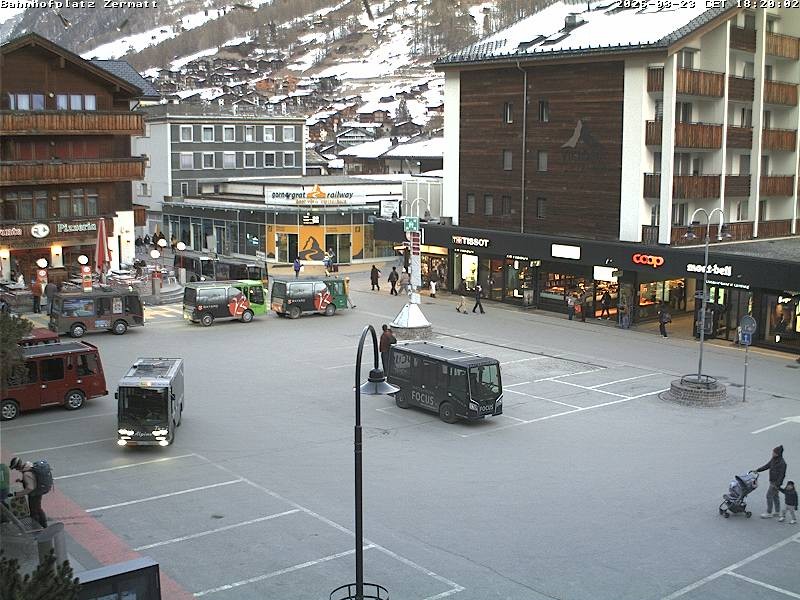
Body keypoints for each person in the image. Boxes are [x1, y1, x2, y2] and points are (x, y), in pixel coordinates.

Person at [9, 457, 47, 529]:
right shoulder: (29, 466)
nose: (16, 469)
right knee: (38, 508)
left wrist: (18, 494)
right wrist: (22, 481)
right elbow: (33, 479)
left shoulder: (26, 474)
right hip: (38, 491)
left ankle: (36, 529)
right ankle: (44, 526)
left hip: (34, 494)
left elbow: (30, 488)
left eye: (15, 468)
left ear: (18, 466)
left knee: (34, 511)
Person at [755, 445, 787, 518]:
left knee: (769, 496)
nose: (772, 453)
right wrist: (758, 470)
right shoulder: (774, 459)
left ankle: (769, 512)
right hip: (772, 481)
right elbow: (767, 465)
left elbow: (782, 475)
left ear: (778, 454)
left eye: (774, 452)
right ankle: (777, 511)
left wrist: (777, 485)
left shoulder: (782, 463)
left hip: (775, 483)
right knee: (775, 496)